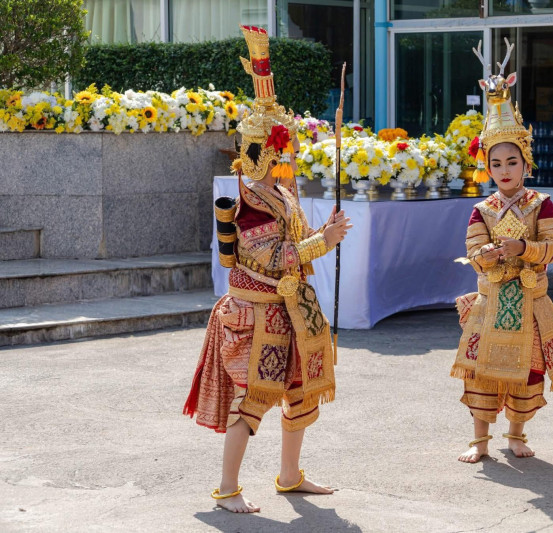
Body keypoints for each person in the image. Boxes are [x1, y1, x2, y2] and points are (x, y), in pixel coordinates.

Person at [183, 25, 351, 513]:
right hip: (257, 315)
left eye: (286, 150)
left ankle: (290, 475)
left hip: (290, 309)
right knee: (253, 401)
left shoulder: (279, 193)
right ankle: (227, 488)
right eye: (279, 151)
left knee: (300, 394)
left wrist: (323, 233)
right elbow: (271, 257)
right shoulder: (252, 201)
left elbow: (296, 242)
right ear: (258, 152)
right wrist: (324, 242)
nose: (286, 158)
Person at [452, 42, 553, 463]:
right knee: (480, 372)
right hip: (492, 301)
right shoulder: (482, 209)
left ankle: (516, 434)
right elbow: (472, 250)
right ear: (488, 167)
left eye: (511, 162)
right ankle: (479, 441)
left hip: (530, 303)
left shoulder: (542, 204)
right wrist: (487, 255)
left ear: (526, 162)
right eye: (496, 163)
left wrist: (524, 248)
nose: (504, 170)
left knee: (528, 372)